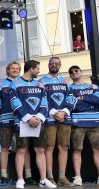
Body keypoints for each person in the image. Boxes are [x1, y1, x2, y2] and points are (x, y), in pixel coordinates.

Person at [10, 60, 56, 189]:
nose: (39, 71)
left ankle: (43, 179)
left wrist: (39, 118)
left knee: (40, 150)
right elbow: (14, 102)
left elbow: (45, 102)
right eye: (37, 69)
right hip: (22, 121)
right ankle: (20, 179)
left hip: (39, 122)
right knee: (21, 150)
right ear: (31, 69)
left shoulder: (40, 84)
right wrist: (28, 118)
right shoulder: (15, 84)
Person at [0, 61, 36, 185]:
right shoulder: (1, 84)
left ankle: (28, 175)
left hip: (22, 119)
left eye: (17, 68)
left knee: (24, 148)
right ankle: (3, 175)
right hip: (7, 119)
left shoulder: (23, 83)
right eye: (12, 68)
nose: (15, 70)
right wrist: (3, 116)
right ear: (8, 70)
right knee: (4, 147)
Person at [38, 57, 74, 186]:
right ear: (48, 65)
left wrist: (63, 112)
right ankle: (49, 176)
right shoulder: (41, 81)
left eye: (56, 64)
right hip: (49, 119)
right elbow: (41, 99)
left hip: (64, 118)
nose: (54, 65)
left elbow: (71, 97)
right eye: (51, 63)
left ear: (60, 65)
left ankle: (62, 177)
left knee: (63, 147)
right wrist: (54, 112)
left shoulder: (65, 81)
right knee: (49, 147)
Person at [68, 65, 99, 186]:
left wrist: (81, 97)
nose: (74, 73)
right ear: (70, 75)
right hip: (78, 123)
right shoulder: (69, 88)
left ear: (81, 72)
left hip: (95, 122)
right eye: (71, 72)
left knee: (97, 150)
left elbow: (97, 100)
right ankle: (78, 177)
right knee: (77, 150)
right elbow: (73, 105)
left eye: (76, 71)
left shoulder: (93, 86)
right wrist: (89, 102)